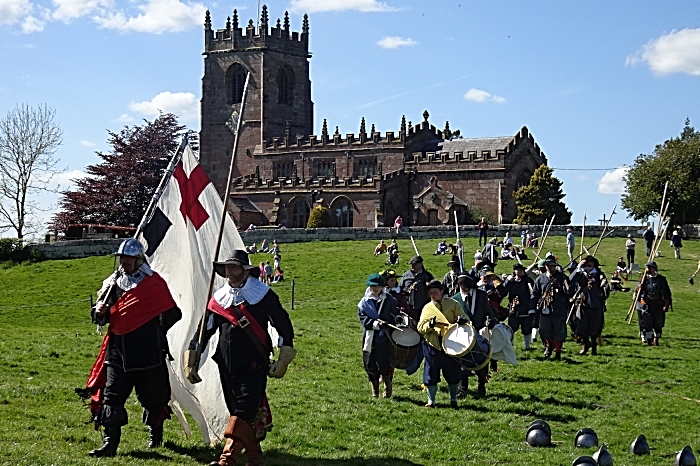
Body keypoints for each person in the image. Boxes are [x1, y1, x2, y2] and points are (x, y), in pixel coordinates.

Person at [184, 250, 295, 466]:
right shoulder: (219, 299)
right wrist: (192, 359)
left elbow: (283, 326)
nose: (229, 271)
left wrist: (283, 358)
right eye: (227, 267)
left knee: (243, 411)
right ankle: (254, 458)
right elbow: (203, 331)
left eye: (233, 267)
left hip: (254, 363)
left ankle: (227, 460)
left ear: (245, 271)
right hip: (226, 364)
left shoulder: (263, 295)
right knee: (239, 412)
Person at [85, 239, 182, 457]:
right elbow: (101, 317)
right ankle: (110, 444)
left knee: (154, 398)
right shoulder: (113, 283)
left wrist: (154, 330)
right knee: (112, 397)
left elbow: (173, 314)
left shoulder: (153, 283)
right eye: (122, 258)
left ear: (139, 259)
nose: (124, 262)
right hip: (117, 351)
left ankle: (155, 435)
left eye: (128, 258)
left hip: (148, 352)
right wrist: (99, 312)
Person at [417, 280, 468, 408]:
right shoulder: (427, 308)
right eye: (431, 293)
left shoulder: (453, 304)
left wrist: (461, 320)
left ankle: (453, 399)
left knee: (453, 373)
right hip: (433, 346)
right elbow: (421, 328)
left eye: (435, 292)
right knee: (431, 373)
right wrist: (430, 324)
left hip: (452, 345)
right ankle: (431, 401)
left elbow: (466, 319)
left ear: (442, 292)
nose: (433, 295)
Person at [358, 273, 400, 398]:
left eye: (378, 286)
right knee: (370, 364)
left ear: (382, 286)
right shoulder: (364, 302)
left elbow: (394, 314)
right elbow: (363, 319)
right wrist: (376, 324)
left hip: (385, 337)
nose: (375, 288)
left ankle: (387, 386)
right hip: (370, 337)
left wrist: (397, 319)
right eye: (373, 286)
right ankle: (374, 391)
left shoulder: (390, 300)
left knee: (385, 363)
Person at [452, 274, 494, 398]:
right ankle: (462, 389)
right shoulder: (455, 299)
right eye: (460, 284)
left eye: (465, 284)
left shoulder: (481, 296)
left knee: (481, 362)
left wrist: (490, 321)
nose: (463, 287)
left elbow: (489, 312)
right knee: (462, 364)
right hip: (463, 336)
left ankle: (481, 386)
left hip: (480, 334)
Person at [530, 257, 571, 360]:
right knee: (544, 331)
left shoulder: (562, 278)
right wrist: (532, 307)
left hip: (559, 309)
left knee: (559, 332)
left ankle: (557, 353)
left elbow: (569, 291)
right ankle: (549, 346)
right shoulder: (540, 279)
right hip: (545, 309)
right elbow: (535, 293)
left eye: (552, 265)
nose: (550, 267)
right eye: (548, 265)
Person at [568, 256, 609, 355]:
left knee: (595, 329)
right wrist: (578, 267)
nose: (588, 264)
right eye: (587, 262)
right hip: (583, 305)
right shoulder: (581, 273)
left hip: (596, 305)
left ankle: (594, 348)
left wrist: (603, 286)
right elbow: (570, 280)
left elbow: (606, 289)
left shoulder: (599, 274)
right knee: (579, 328)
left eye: (591, 262)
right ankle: (587, 343)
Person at [635, 261, 672, 346]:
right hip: (647, 305)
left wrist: (666, 304)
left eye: (650, 268)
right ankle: (648, 339)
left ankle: (656, 338)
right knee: (647, 325)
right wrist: (639, 288)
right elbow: (639, 293)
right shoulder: (644, 279)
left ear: (654, 268)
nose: (648, 270)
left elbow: (666, 293)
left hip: (658, 305)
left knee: (657, 324)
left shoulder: (661, 279)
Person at [499, 263, 535, 350]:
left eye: (520, 270)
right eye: (517, 270)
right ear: (514, 271)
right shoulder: (511, 282)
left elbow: (533, 293)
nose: (518, 272)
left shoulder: (528, 281)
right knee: (511, 329)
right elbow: (503, 291)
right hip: (514, 309)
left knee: (527, 329)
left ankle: (527, 347)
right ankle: (509, 346)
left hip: (526, 309)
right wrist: (507, 281)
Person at [401, 255, 434, 320]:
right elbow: (400, 288)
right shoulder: (406, 275)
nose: (413, 266)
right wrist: (409, 288)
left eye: (415, 264)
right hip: (408, 306)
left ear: (420, 264)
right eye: (412, 264)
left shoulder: (427, 276)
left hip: (423, 306)